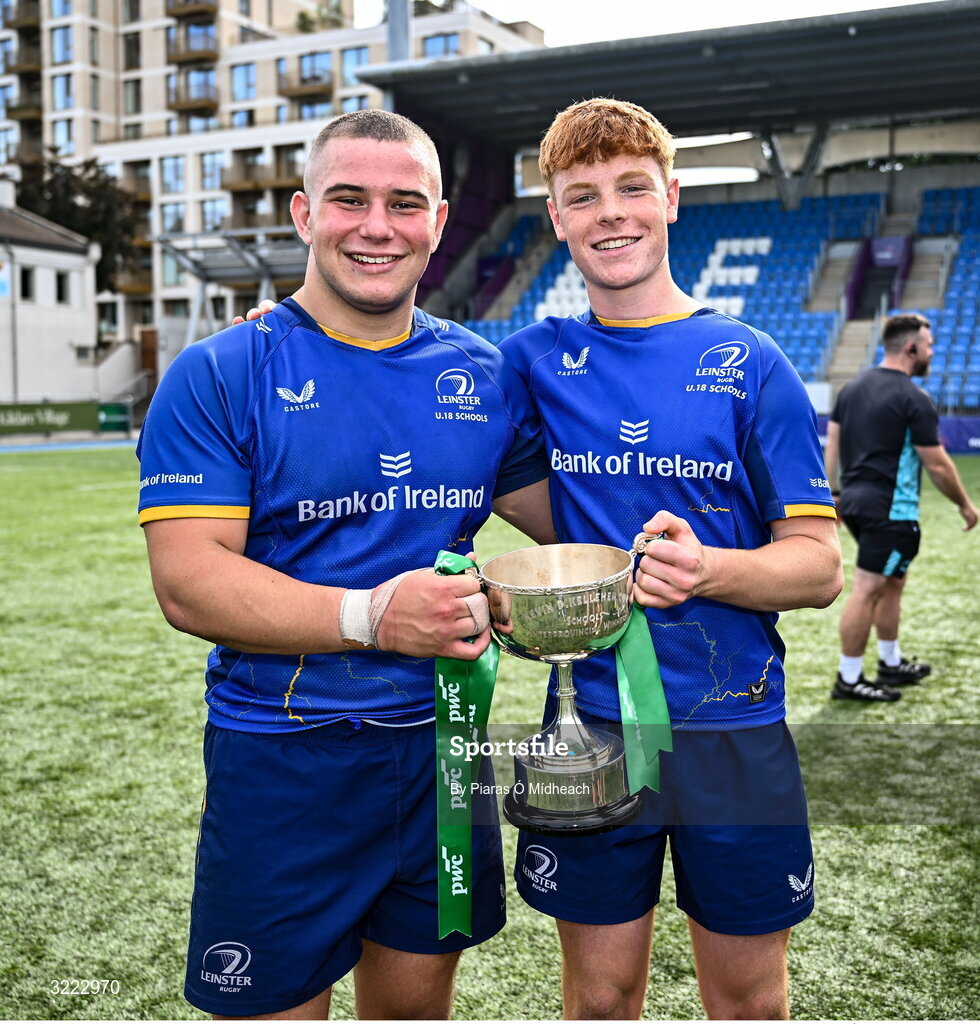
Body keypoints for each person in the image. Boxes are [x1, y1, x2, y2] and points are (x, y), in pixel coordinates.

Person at [136, 109, 554, 1021]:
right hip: (286, 758)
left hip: (445, 746)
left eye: (406, 203)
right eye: (349, 200)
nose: (378, 226)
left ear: (440, 223)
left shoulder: (481, 373)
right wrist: (372, 616)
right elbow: (187, 578)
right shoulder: (219, 372)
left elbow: (571, 522)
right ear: (301, 213)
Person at [498, 98, 843, 1020]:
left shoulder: (750, 359)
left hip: (734, 728)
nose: (610, 211)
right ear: (557, 217)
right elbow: (426, 403)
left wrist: (710, 572)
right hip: (595, 722)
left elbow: (818, 566)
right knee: (602, 999)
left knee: (749, 1002)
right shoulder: (529, 358)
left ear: (672, 198)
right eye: (583, 196)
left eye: (632, 187)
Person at [824, 312, 977, 702]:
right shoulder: (913, 398)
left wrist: (834, 495)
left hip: (857, 505)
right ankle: (849, 677)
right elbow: (938, 463)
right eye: (928, 345)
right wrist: (964, 504)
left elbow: (833, 446)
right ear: (910, 348)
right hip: (891, 511)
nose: (932, 351)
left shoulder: (851, 389)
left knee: (893, 583)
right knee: (869, 588)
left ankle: (890, 663)